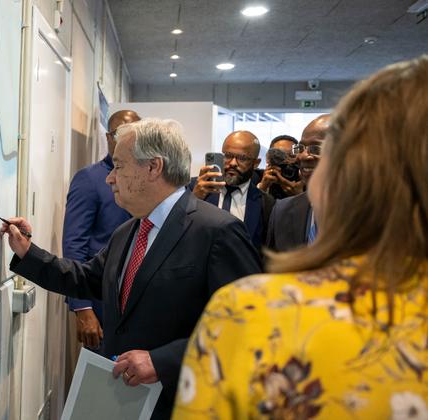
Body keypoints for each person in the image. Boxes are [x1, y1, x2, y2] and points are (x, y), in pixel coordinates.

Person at [173, 55, 428, 419]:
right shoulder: (276, 211)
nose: (306, 161)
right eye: (301, 152)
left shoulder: (247, 315)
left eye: (323, 153)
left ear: (352, 171)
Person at [1, 119, 262, 419]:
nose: (110, 179)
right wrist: (26, 252)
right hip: (125, 401)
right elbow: (87, 279)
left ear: (153, 168)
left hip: (183, 404)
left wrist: (162, 362)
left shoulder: (217, 231)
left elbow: (247, 329)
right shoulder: (129, 231)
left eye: (119, 166)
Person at [62, 110, 139, 351]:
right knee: (102, 380)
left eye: (136, 133)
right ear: (108, 137)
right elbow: (74, 245)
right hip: (100, 303)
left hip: (136, 302)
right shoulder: (90, 179)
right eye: (121, 133)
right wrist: (82, 308)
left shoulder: (143, 178)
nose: (129, 139)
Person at [190, 131, 275, 249]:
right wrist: (193, 199)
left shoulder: (266, 204)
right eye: (228, 156)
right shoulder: (193, 188)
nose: (233, 163)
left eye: (242, 158)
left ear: (256, 163)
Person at [265, 114, 330, 252]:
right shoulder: (282, 211)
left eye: (316, 149)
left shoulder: (375, 212)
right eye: (300, 148)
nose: (302, 156)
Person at [258, 135, 304, 199]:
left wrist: (301, 196)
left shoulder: (307, 182)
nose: (287, 161)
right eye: (279, 157)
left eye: (292, 156)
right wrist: (262, 188)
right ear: (269, 161)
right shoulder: (256, 178)